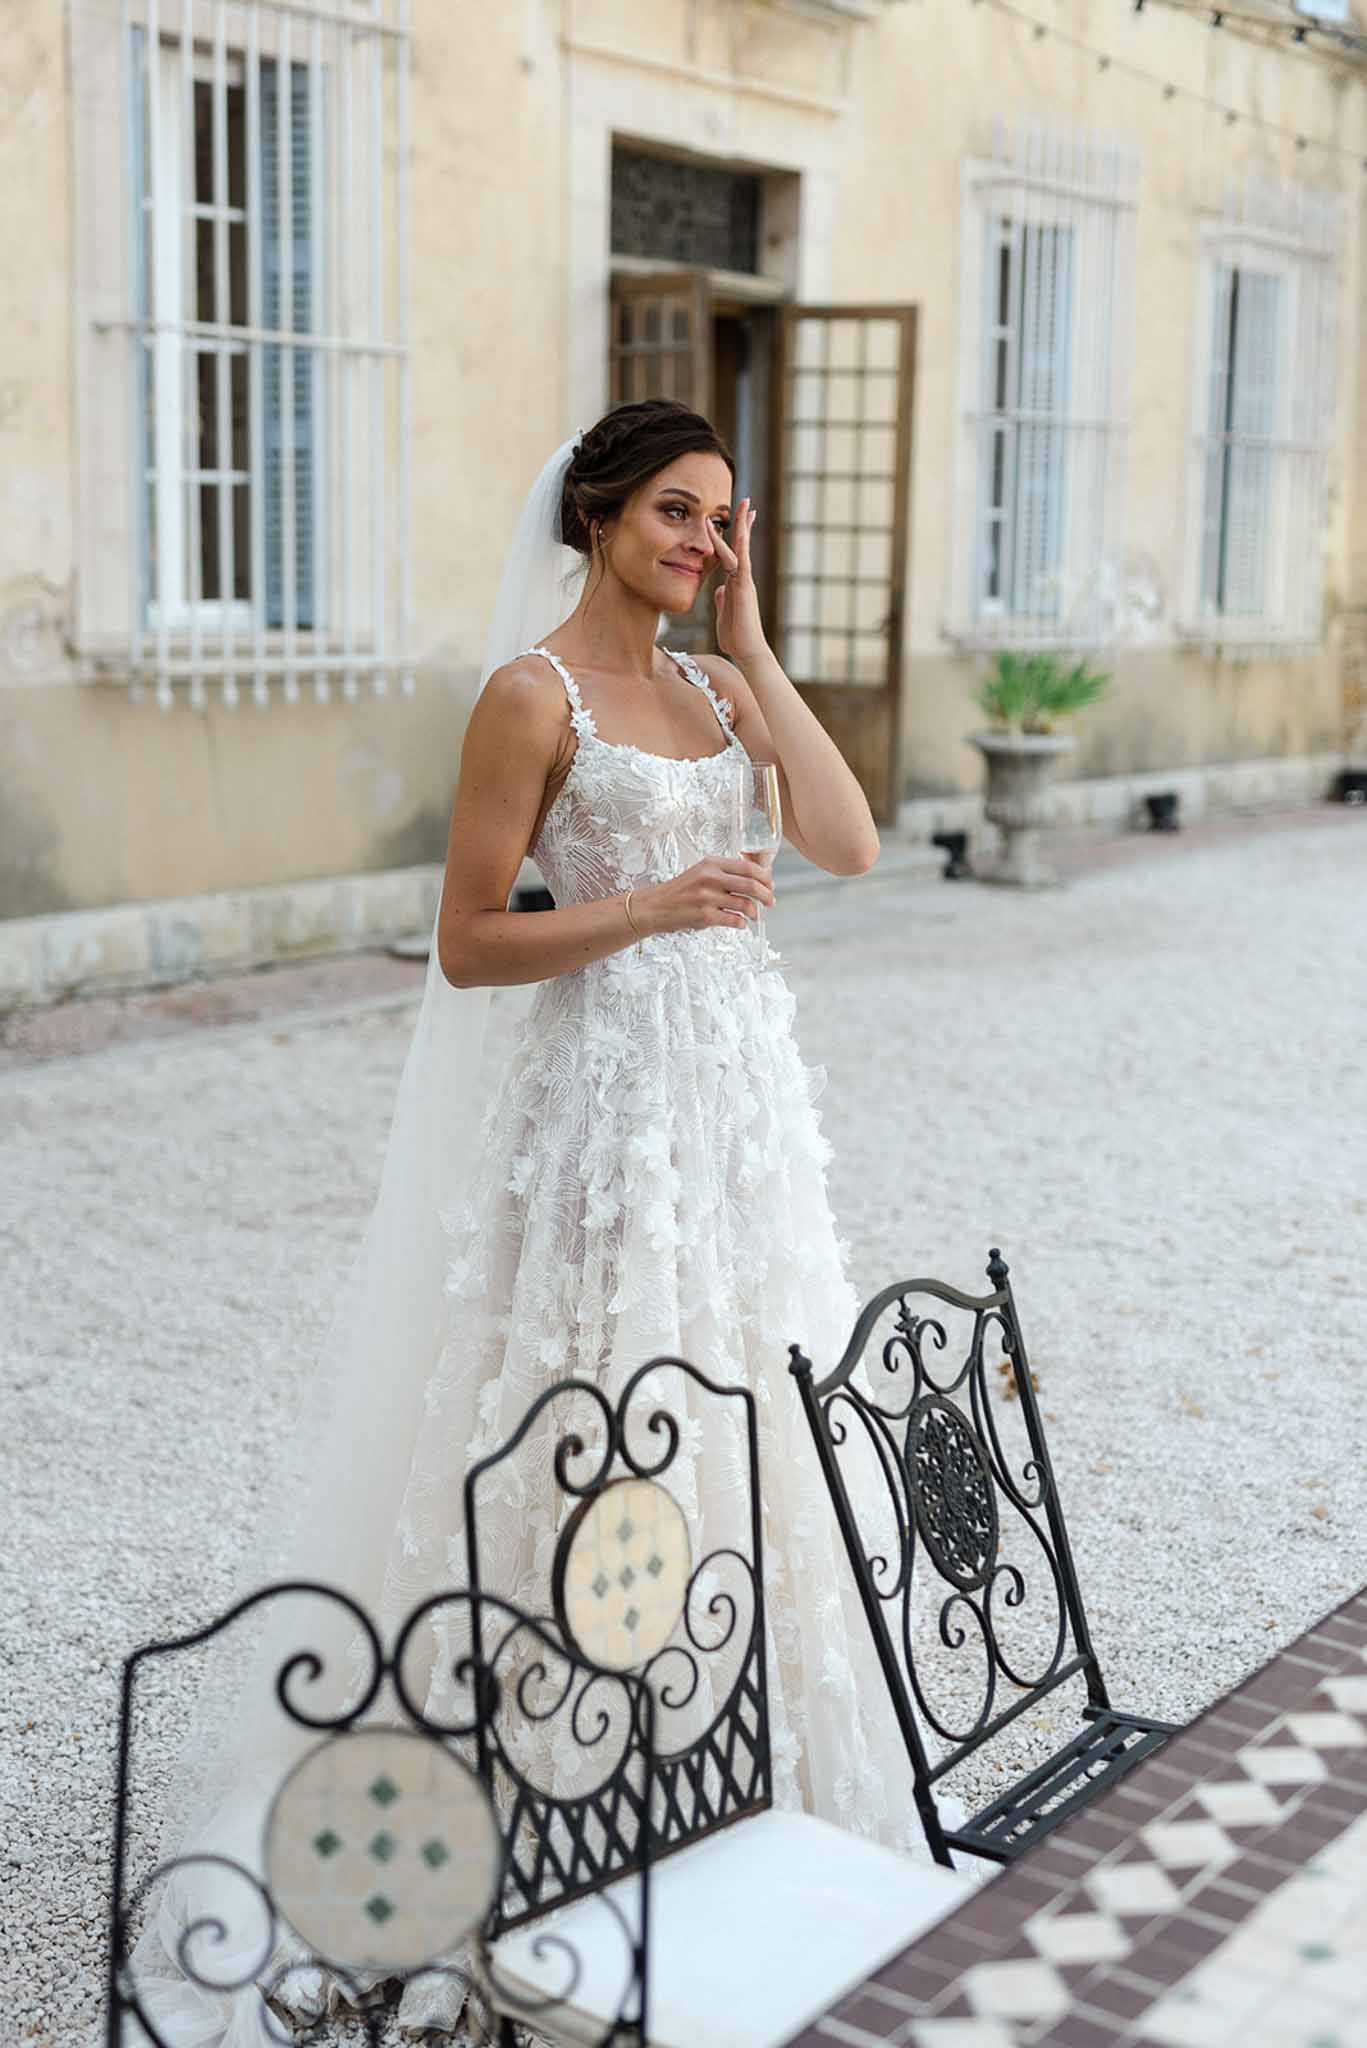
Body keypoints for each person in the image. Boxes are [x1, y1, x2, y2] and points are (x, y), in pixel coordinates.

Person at [129, 400, 924, 2043]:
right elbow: (470, 942)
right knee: (594, 1409)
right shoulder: (531, 693)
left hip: (744, 1115)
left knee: (746, 1406)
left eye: (723, 521)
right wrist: (647, 905)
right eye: (677, 515)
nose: (702, 543)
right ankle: (557, 1777)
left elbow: (848, 839)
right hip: (607, 1115)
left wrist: (760, 648)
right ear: (601, 514)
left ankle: (729, 1764)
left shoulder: (715, 686)